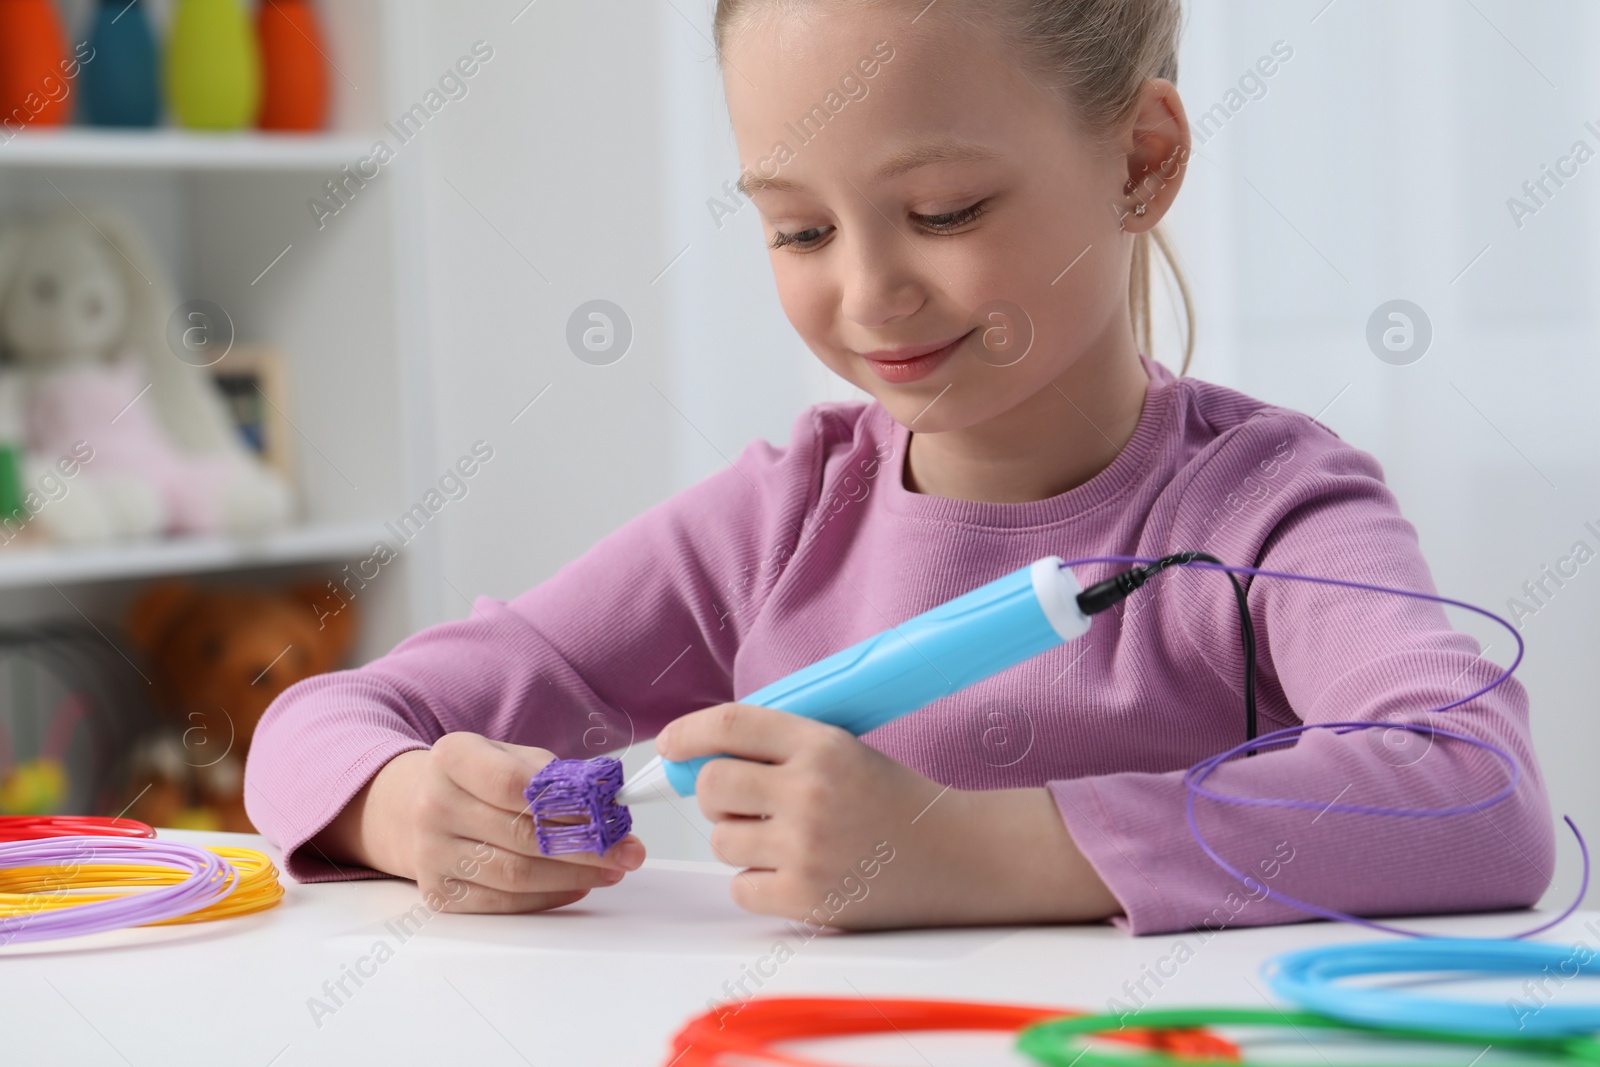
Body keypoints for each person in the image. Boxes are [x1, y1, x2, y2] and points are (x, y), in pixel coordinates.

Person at [245, 0, 1554, 935]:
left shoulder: (1269, 508)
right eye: (798, 228)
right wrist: (409, 809)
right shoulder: (774, 526)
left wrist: (975, 850)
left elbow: (1479, 798)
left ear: (1141, 162)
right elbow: (317, 725)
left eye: (945, 213)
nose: (871, 294)